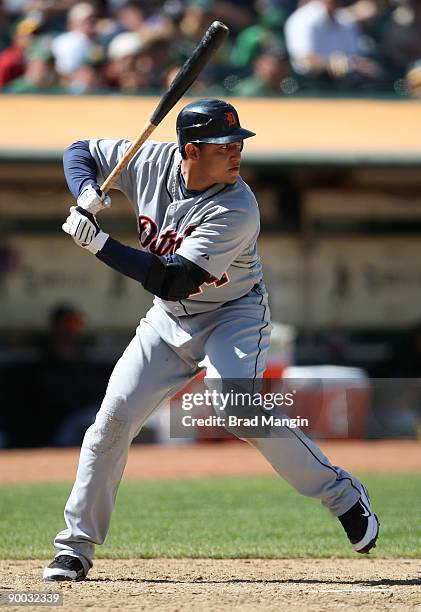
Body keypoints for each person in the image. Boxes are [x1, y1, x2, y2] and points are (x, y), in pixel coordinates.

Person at [43, 98, 379, 582]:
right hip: (166, 322)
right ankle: (74, 549)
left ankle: (343, 495)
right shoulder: (152, 161)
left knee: (235, 407)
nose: (237, 153)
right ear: (192, 150)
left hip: (232, 315)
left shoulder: (237, 206)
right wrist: (87, 188)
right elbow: (78, 150)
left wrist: (100, 244)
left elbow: (173, 278)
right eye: (225, 145)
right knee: (110, 423)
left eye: (239, 142)